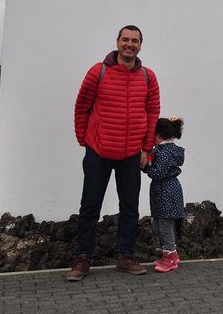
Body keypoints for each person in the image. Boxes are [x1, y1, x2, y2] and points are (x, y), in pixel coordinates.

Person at [66, 24, 161, 282]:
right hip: (99, 151)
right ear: (117, 41)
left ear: (141, 45)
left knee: (129, 208)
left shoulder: (148, 77)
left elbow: (153, 112)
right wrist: (83, 140)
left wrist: (146, 148)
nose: (130, 44)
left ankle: (125, 256)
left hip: (131, 154)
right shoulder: (98, 72)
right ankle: (83, 258)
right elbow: (82, 106)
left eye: (135, 40)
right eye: (126, 39)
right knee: (90, 207)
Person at [143, 117, 186, 273]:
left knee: (165, 226)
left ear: (157, 135)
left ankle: (171, 256)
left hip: (166, 192)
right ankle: (169, 253)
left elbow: (158, 173)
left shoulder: (163, 152)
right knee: (160, 225)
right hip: (168, 191)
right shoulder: (169, 150)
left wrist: (147, 167)